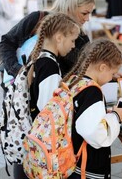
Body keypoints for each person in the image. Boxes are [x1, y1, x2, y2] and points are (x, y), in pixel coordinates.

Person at [12, 12, 80, 179]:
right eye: (72, 40)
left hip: (33, 138)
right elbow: (48, 108)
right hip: (44, 145)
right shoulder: (50, 66)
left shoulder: (38, 57)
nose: (73, 46)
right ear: (59, 37)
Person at [61, 39, 122, 179]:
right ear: (102, 67)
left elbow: (82, 118)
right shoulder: (92, 91)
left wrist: (105, 115)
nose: (111, 78)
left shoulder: (75, 81)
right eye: (112, 73)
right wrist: (115, 116)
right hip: (87, 169)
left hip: (72, 162)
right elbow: (95, 135)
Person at [0, 0, 95, 78]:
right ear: (69, 7)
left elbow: (85, 72)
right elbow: (6, 43)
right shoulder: (37, 19)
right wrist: (18, 70)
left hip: (55, 92)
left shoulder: (82, 39)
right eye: (84, 13)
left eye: (89, 13)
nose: (87, 19)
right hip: (20, 89)